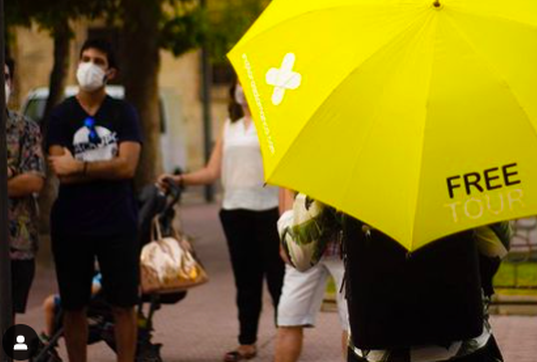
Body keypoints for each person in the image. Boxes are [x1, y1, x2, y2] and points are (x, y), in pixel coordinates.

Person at [279, 195, 510, 362]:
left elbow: (299, 254)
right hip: (463, 344)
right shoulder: (461, 161)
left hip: (378, 347)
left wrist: (287, 215)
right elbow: (497, 247)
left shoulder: (342, 164)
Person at [158, 77, 284, 362]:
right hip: (234, 211)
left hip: (268, 211)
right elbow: (212, 171)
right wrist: (179, 179)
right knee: (246, 280)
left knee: (277, 279)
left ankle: (285, 339)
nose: (241, 88)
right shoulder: (230, 127)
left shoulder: (272, 124)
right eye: (237, 83)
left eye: (246, 83)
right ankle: (246, 342)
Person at [46, 39, 143, 362]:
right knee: (74, 306)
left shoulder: (123, 112)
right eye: (84, 58)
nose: (88, 65)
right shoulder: (61, 115)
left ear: (110, 72)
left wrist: (82, 165)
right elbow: (62, 170)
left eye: (97, 61)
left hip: (118, 222)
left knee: (124, 305)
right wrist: (106, 167)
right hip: (72, 224)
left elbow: (128, 166)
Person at [274, 189, 349, 362]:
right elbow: (287, 185)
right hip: (304, 238)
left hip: (343, 245)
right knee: (288, 319)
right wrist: (286, 238)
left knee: (353, 327)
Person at [4, 57, 46, 318]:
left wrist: (17, 176)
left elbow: (34, 180)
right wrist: (10, 174)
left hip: (17, 245)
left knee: (8, 317)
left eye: (5, 77)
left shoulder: (25, 129)